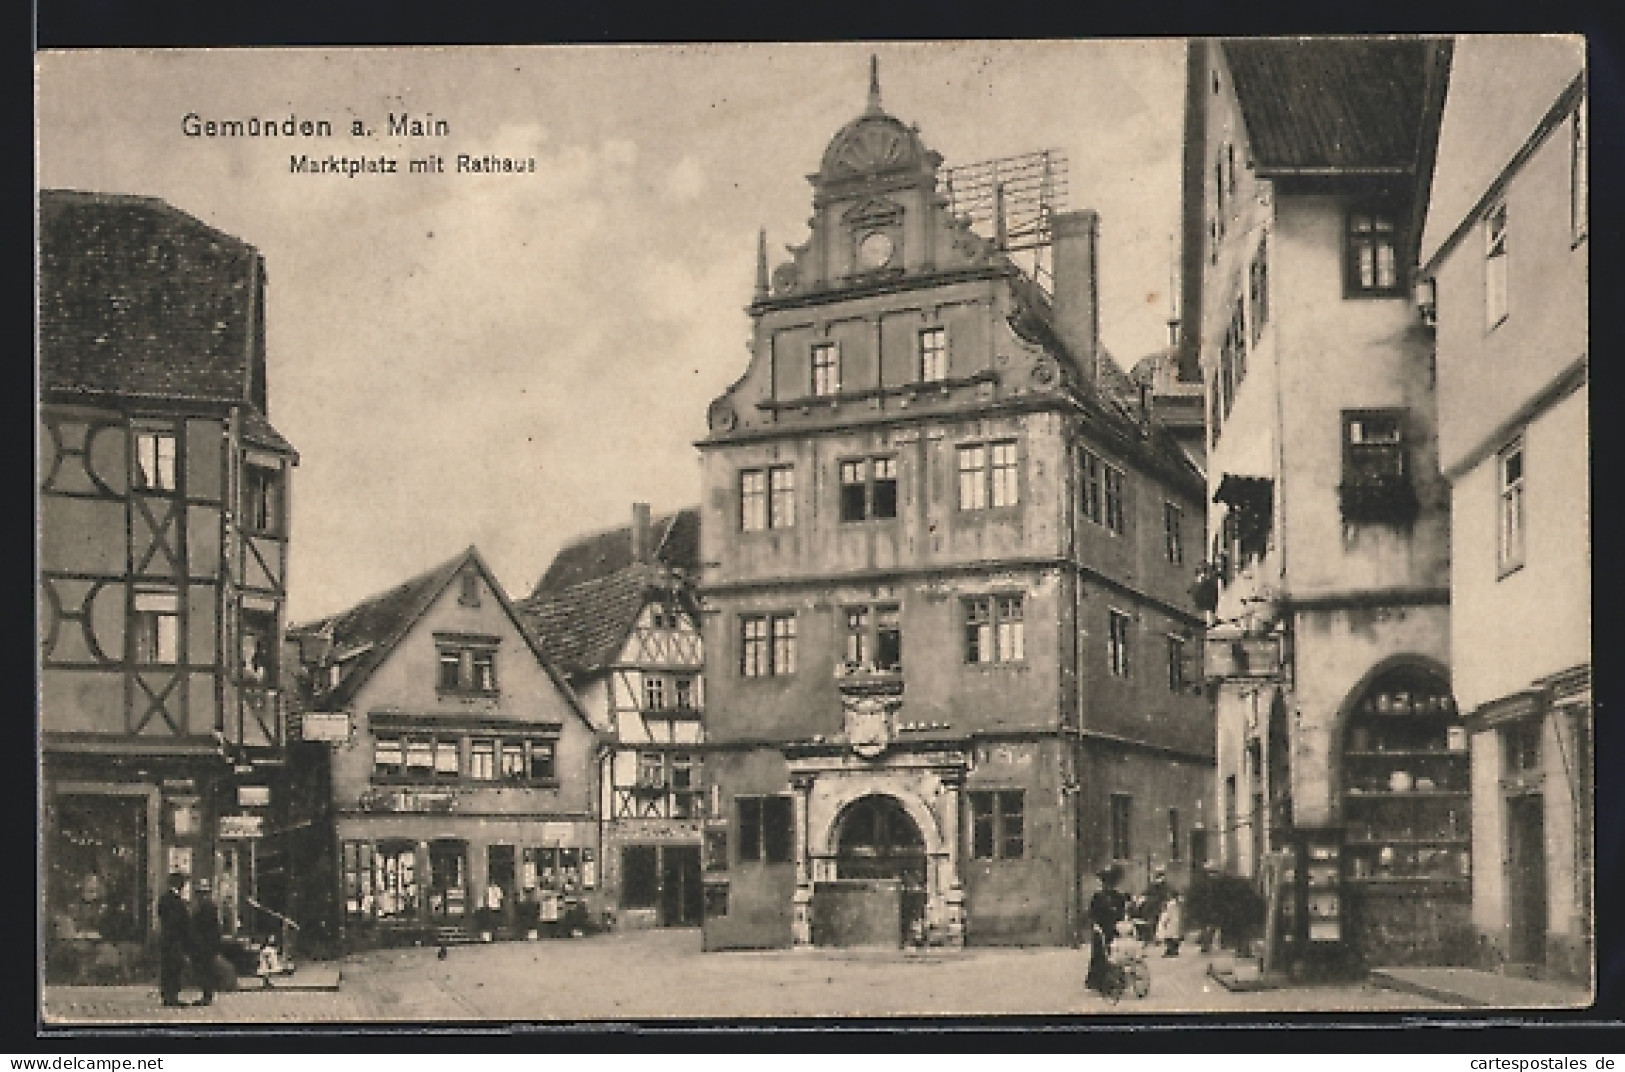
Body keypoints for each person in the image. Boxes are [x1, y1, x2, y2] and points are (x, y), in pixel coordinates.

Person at [1085, 864, 1129, 994]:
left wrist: (1120, 923)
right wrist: (1095, 924)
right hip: (1101, 929)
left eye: (1110, 882)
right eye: (1106, 882)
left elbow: (1121, 913)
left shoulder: (1118, 897)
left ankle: (1117, 979)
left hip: (1114, 929)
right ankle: (1100, 982)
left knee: (1117, 954)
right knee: (1101, 954)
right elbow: (1092, 913)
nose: (1108, 885)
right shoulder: (1098, 897)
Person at [156, 872, 190, 1007]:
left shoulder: (164, 899)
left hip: (166, 938)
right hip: (174, 939)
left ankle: (168, 994)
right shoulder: (175, 901)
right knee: (174, 967)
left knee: (167, 966)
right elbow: (178, 920)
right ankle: (171, 995)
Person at [189, 878, 221, 1006]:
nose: (200, 896)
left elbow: (205, 926)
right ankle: (206, 994)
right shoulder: (204, 906)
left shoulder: (208, 907)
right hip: (206, 944)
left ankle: (207, 995)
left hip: (206, 944)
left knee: (206, 969)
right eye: (199, 893)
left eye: (202, 893)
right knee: (205, 969)